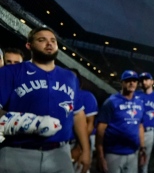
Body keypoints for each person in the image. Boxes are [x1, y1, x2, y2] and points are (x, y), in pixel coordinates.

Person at [0, 26, 91, 173]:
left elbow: (78, 114)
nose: (49, 43)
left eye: (53, 41)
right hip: (18, 152)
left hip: (60, 153)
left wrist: (85, 150)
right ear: (29, 45)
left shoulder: (69, 77)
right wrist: (26, 122)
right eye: (42, 40)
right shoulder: (9, 72)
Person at [96, 70, 146, 173]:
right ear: (122, 82)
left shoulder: (139, 102)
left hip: (132, 153)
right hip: (113, 153)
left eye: (134, 81)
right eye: (128, 81)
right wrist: (100, 156)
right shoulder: (111, 102)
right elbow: (100, 130)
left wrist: (142, 148)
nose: (132, 83)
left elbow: (140, 126)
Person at [68, 68, 99, 173]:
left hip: (78, 142)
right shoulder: (58, 95)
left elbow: (90, 124)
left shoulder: (87, 96)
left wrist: (79, 147)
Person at [137, 72, 154, 173]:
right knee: (140, 162)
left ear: (152, 82)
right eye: (142, 80)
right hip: (139, 132)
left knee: (151, 163)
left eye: (147, 79)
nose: (144, 82)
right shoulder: (136, 95)